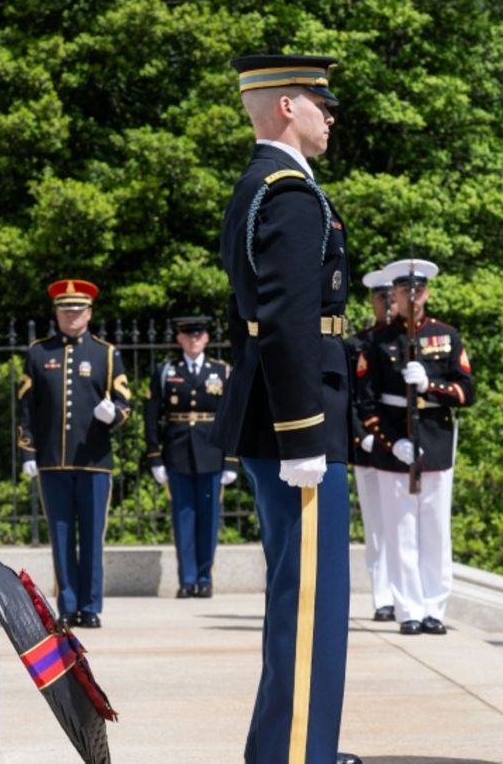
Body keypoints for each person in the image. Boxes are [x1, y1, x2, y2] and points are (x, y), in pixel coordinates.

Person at [213, 53, 360, 764]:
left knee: (294, 605)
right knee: (310, 611)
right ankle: (299, 755)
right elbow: (287, 321)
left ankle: (285, 749)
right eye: (317, 101)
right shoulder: (290, 194)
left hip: (283, 422)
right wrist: (305, 434)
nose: (330, 114)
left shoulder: (262, 187)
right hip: (297, 430)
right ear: (283, 109)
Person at [356, 259, 474, 636]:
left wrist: (431, 386)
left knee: (436, 531)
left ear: (427, 292)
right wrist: (394, 444)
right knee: (400, 529)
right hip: (397, 445)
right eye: (405, 291)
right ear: (395, 295)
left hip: (436, 441)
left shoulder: (447, 335)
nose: (413, 297)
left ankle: (434, 608)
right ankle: (407, 608)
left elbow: (466, 391)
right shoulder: (377, 341)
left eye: (419, 290)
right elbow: (366, 402)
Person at [16, 279, 132, 629]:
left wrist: (115, 415)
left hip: (95, 462)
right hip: (52, 460)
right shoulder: (39, 353)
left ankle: (91, 606)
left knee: (92, 537)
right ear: (57, 313)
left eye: (78, 310)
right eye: (66, 310)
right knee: (61, 535)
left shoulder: (106, 354)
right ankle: (67, 605)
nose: (72, 315)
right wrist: (28, 450)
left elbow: (126, 402)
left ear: (89, 313)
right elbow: (26, 408)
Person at [144, 315, 239, 599]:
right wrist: (154, 457)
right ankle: (186, 580)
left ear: (207, 338)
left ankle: (204, 578)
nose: (194, 339)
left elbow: (232, 417)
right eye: (188, 335)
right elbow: (152, 417)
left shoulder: (221, 371)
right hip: (177, 453)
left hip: (211, 453)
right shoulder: (166, 371)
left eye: (199, 335)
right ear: (179, 339)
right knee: (183, 518)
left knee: (209, 519)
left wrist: (231, 459)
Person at [348, 270, 397, 622]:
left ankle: (405, 593)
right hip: (368, 447)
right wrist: (360, 434)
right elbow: (348, 398)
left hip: (399, 448)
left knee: (404, 525)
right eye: (383, 299)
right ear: (373, 302)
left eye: (393, 298)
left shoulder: (405, 340)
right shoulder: (358, 344)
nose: (390, 304)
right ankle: (383, 596)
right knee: (378, 525)